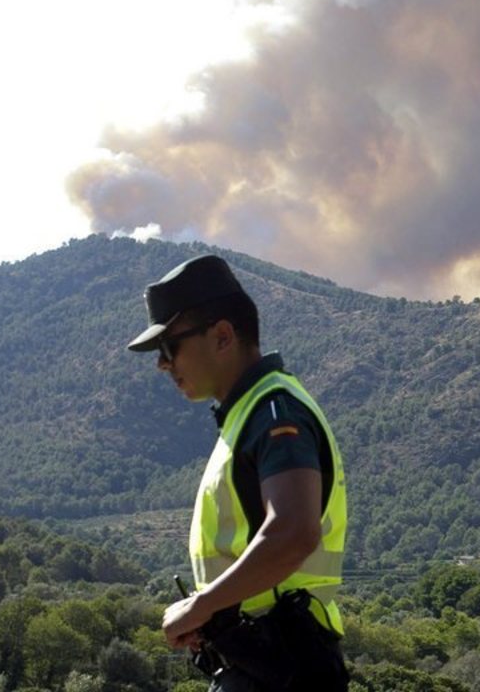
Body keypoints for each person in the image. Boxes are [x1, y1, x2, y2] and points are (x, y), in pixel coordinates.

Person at [127, 254, 349, 691]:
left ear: (223, 336)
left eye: (170, 347)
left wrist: (201, 606)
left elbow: (293, 533)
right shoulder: (250, 413)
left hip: (280, 664)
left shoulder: (272, 412)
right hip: (265, 659)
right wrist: (211, 611)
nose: (163, 364)